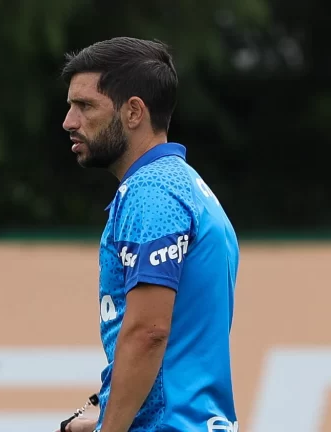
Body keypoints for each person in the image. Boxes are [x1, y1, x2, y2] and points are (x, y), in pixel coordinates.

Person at [58, 37, 240, 432]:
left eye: (85, 105)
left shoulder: (152, 192)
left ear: (134, 112)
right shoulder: (185, 185)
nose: (69, 121)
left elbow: (149, 333)